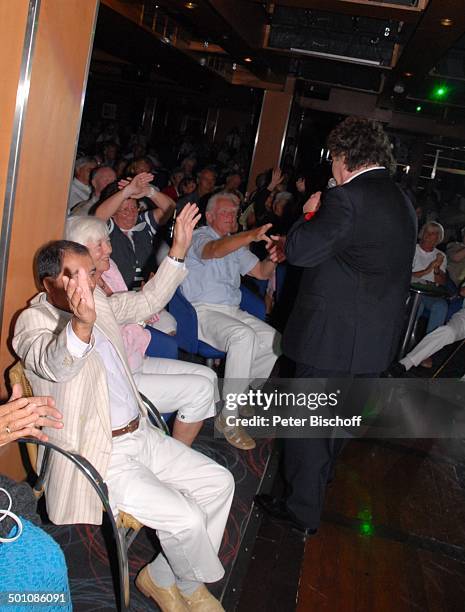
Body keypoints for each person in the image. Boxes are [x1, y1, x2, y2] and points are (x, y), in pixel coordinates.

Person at [13, 204, 233, 611]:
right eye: (77, 276)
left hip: (141, 434)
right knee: (185, 518)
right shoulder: (33, 322)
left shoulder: (100, 302)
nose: (91, 282)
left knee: (220, 483)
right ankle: (186, 587)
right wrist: (79, 325)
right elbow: (51, 363)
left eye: (91, 273)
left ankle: (165, 577)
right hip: (101, 455)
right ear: (49, 283)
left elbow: (148, 297)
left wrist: (179, 250)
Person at [255, 116, 417, 533]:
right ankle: (311, 488)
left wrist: (310, 213)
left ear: (344, 158)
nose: (330, 169)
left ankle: (300, 512)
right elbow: (357, 257)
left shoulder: (346, 198)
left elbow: (304, 252)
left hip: (332, 339)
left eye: (333, 160)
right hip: (372, 341)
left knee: (307, 428)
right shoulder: (401, 200)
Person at [65, 215, 219, 447]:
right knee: (202, 389)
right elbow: (135, 305)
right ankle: (178, 451)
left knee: (210, 376)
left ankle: (176, 430)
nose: (109, 248)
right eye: (99, 245)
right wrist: (177, 250)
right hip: (117, 379)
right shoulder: (81, 295)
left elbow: (134, 306)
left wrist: (141, 306)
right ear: (78, 252)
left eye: (107, 240)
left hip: (135, 357)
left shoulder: (110, 268)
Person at [182, 192, 282, 450]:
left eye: (233, 213)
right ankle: (228, 418)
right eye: (225, 213)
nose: (231, 217)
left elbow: (260, 273)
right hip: (200, 312)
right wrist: (248, 236)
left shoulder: (233, 242)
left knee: (274, 341)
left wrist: (275, 257)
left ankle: (238, 393)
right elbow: (212, 251)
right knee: (243, 336)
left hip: (230, 311)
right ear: (210, 215)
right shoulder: (199, 235)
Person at [93, 172, 175, 290]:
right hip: (118, 295)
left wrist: (148, 191)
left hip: (148, 293)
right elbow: (99, 216)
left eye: (134, 208)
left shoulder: (144, 222)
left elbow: (170, 208)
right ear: (113, 212)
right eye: (125, 210)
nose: (131, 214)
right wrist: (127, 191)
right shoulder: (108, 228)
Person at [412, 221, 448, 334]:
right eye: (426, 232)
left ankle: (429, 344)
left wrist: (436, 268)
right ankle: (405, 336)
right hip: (412, 290)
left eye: (432, 233)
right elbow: (406, 276)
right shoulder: (413, 249)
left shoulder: (441, 255)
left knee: (441, 305)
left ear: (438, 238)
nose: (428, 235)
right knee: (418, 305)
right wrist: (428, 269)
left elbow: (442, 282)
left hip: (430, 293)